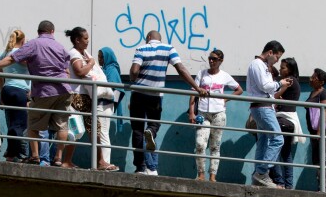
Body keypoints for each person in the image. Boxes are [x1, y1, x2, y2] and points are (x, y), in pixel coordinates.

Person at [0, 20, 72, 166]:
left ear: (38, 32)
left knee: (32, 124)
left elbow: (12, 58)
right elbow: (67, 70)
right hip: (64, 90)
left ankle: (35, 156)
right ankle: (58, 158)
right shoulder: (60, 47)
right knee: (62, 126)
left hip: (44, 91)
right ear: (52, 32)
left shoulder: (34, 44)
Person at [128, 31, 204, 176]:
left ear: (148, 38)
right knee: (154, 125)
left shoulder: (141, 49)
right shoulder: (169, 48)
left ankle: (140, 168)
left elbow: (134, 70)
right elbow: (181, 69)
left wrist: (133, 79)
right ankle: (151, 132)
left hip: (138, 93)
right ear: (159, 39)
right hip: (155, 95)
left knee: (137, 130)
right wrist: (196, 87)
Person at [66, 26, 117, 171]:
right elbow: (80, 71)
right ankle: (64, 160)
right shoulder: (74, 54)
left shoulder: (83, 53)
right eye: (85, 38)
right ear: (77, 40)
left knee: (94, 128)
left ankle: (100, 161)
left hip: (86, 97)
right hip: (77, 97)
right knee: (75, 129)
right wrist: (91, 63)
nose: (88, 41)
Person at [188, 48, 242, 181]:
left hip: (219, 114)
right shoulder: (202, 74)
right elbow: (193, 93)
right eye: (210, 58)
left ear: (220, 61)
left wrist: (225, 99)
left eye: (214, 59)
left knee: (215, 146)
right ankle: (201, 174)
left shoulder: (224, 76)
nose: (211, 61)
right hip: (203, 114)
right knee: (200, 143)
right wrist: (191, 112)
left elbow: (239, 89)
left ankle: (213, 176)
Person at [247, 41, 292, 188]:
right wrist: (280, 83)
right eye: (277, 57)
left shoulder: (262, 65)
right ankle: (261, 172)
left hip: (263, 106)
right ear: (270, 52)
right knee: (278, 138)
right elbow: (265, 86)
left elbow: (266, 88)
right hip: (263, 107)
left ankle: (258, 175)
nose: (277, 61)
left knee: (264, 140)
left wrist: (279, 85)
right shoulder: (257, 64)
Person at [0, 30, 31, 163]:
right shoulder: (20, 54)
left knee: (11, 122)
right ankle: (19, 154)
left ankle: (11, 153)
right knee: (21, 125)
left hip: (7, 89)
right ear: (23, 41)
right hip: (20, 91)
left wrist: (1, 92)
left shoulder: (4, 54)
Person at [269, 57, 302, 189]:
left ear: (290, 69)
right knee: (286, 154)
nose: (281, 70)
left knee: (274, 150)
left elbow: (274, 97)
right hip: (290, 120)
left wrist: (277, 95)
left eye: (283, 68)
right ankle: (288, 185)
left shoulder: (289, 81)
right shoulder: (294, 81)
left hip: (283, 119)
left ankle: (279, 182)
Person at [305, 68, 326, 193]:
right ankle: (321, 186)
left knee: (323, 158)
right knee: (317, 159)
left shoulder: (324, 93)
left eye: (314, 77)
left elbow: (325, 111)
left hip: (322, 131)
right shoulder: (313, 93)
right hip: (314, 131)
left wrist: (319, 132)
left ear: (321, 82)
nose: (311, 79)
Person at [98, 47, 122, 164]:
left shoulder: (112, 70)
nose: (99, 59)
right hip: (102, 105)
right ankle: (102, 161)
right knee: (101, 133)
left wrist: (107, 98)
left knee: (103, 134)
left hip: (105, 106)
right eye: (99, 57)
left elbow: (116, 90)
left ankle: (105, 162)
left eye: (102, 57)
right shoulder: (105, 69)